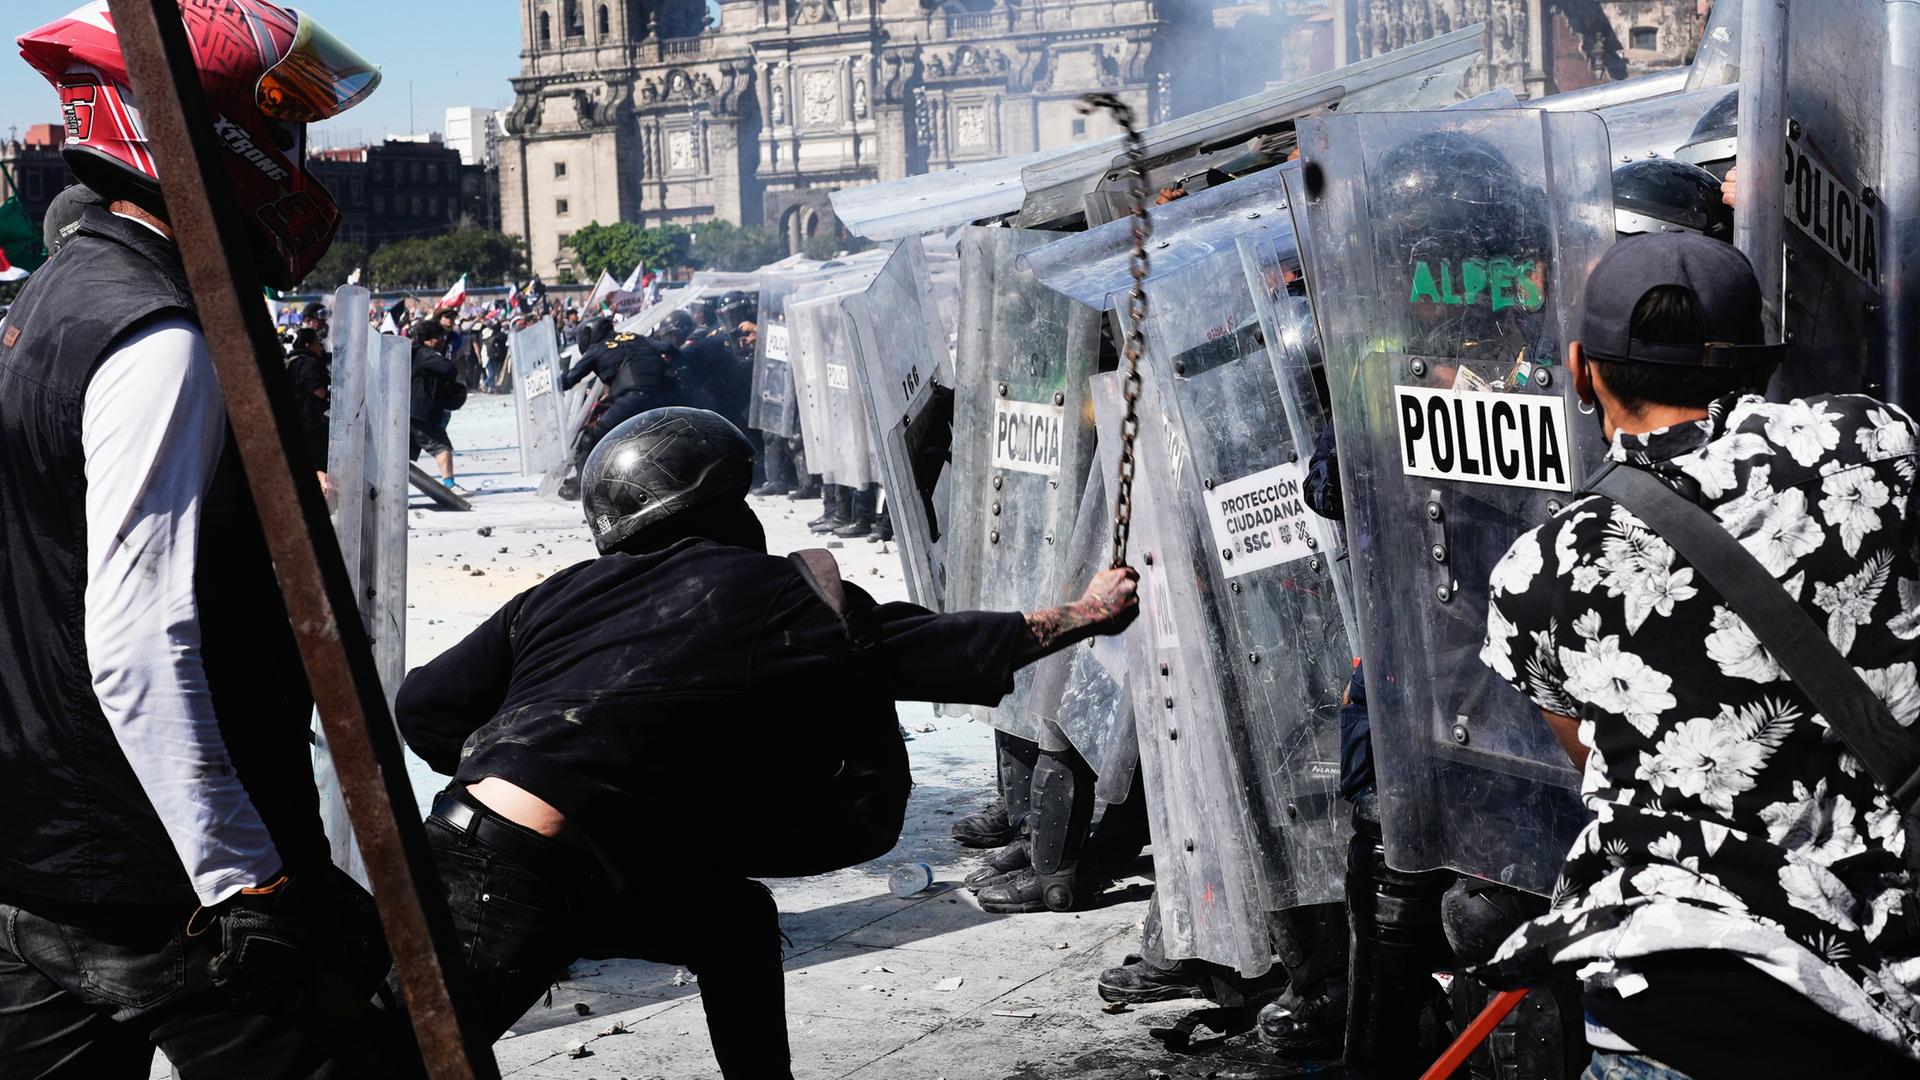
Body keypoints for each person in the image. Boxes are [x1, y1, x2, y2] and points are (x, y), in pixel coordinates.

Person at [394, 407, 1140, 1078]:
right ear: (724, 504)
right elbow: (928, 646)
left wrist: (522, 766)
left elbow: (424, 706)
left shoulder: (559, 592)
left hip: (479, 844)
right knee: (395, 1056)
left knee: (734, 926)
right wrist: (1086, 613)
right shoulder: (773, 593)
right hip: (512, 881)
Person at [0, 4, 410, 1076]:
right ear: (216, 132)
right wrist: (245, 880)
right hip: (166, 890)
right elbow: (139, 636)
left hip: (42, 859)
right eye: (285, 126)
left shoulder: (51, 298)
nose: (298, 157)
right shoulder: (157, 331)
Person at [1479, 233, 1920, 1077]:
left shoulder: (1535, 573)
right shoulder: (1878, 445)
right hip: (1883, 989)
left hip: (1671, 998)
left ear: (1581, 372)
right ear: (1761, 361)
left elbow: (1593, 760)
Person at [409, 320, 468, 494]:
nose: (442, 341)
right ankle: (449, 485)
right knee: (442, 446)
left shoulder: (411, 353)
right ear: (427, 339)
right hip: (422, 414)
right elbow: (448, 369)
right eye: (438, 338)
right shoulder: (426, 354)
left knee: (401, 456)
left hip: (408, 413)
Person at [287, 327, 332, 468]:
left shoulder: (293, 361)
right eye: (317, 343)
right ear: (308, 345)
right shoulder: (308, 363)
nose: (320, 347)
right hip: (312, 421)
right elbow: (317, 390)